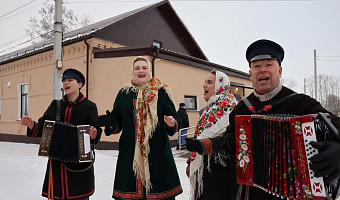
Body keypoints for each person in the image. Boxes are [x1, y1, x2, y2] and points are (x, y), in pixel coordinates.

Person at [185, 39, 340, 200]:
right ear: (251, 74)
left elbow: (335, 126)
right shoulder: (241, 109)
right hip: (252, 193)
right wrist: (212, 144)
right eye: (257, 66)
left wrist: (338, 148)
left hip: (296, 192)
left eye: (269, 65)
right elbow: (229, 142)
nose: (263, 70)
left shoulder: (300, 103)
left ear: (279, 71)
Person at [96, 56, 183, 200]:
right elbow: (118, 121)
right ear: (133, 71)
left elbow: (176, 118)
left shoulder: (161, 92)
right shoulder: (123, 94)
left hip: (157, 153)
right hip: (130, 154)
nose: (141, 70)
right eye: (137, 68)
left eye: (144, 67)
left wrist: (171, 123)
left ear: (149, 71)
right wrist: (112, 122)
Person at [20, 68, 102, 200]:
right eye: (64, 81)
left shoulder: (89, 107)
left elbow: (96, 131)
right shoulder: (55, 105)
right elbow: (42, 128)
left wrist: (94, 133)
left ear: (79, 84)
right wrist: (31, 124)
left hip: (79, 170)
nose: (66, 83)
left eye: (70, 80)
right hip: (57, 169)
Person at [185, 69, 238, 200]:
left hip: (222, 170)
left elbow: (230, 139)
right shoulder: (210, 108)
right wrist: (191, 161)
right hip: (205, 168)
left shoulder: (231, 108)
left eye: (209, 82)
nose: (204, 85)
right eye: (205, 82)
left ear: (221, 86)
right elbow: (201, 135)